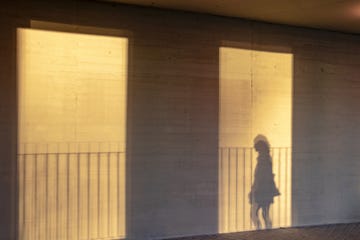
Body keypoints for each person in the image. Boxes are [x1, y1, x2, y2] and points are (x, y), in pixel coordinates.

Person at [248, 135, 280, 229]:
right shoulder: (266, 157)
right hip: (267, 189)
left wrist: (254, 188)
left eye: (255, 144)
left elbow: (260, 175)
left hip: (261, 189)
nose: (254, 146)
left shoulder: (263, 158)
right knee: (265, 213)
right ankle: (267, 232)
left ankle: (260, 232)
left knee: (255, 213)